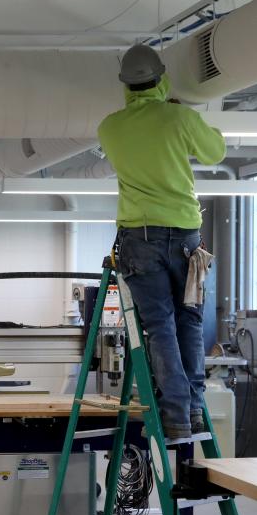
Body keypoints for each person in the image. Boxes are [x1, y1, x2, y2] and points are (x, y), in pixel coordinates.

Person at [98, 44, 225, 440]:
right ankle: (195, 409)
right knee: (189, 320)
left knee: (160, 326)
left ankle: (175, 417)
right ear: (161, 77)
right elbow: (215, 151)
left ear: (126, 86)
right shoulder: (179, 117)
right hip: (187, 238)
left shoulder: (110, 127)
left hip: (140, 237)